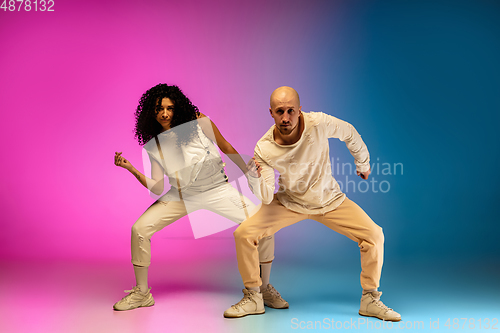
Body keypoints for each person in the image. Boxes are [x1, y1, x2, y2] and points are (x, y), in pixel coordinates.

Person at [224, 86, 401, 321]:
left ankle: (370, 300)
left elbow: (349, 132)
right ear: (271, 113)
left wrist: (363, 163)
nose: (285, 117)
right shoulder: (264, 147)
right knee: (244, 234)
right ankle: (254, 297)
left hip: (330, 201)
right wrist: (254, 178)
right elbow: (266, 197)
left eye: (290, 111)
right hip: (290, 203)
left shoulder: (318, 123)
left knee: (374, 236)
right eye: (279, 112)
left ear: (299, 110)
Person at [112, 84, 288, 311]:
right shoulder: (154, 146)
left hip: (217, 189)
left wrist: (247, 171)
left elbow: (225, 146)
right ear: (150, 112)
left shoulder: (198, 121)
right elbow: (157, 188)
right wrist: (131, 169)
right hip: (181, 196)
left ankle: (263, 289)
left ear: (178, 109)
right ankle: (142, 293)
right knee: (139, 229)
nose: (164, 114)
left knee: (264, 227)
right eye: (159, 109)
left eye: (170, 108)